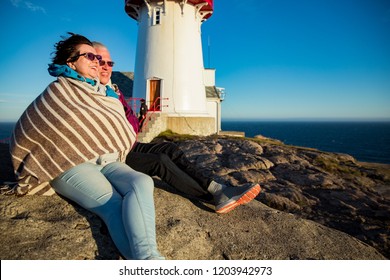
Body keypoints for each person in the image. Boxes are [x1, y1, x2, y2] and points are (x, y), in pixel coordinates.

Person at [10, 33, 164, 260]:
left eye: (98, 57)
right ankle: (149, 262)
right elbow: (32, 127)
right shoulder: (59, 91)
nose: (96, 61)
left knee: (142, 181)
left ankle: (147, 261)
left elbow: (110, 126)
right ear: (71, 63)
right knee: (113, 206)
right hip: (70, 164)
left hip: (108, 161)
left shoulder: (105, 92)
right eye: (89, 56)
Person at [94, 42, 261, 214]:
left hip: (127, 144)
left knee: (169, 148)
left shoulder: (112, 90)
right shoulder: (90, 91)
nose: (106, 67)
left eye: (110, 63)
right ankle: (213, 196)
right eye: (100, 61)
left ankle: (215, 187)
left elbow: (131, 123)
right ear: (90, 62)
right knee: (159, 161)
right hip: (112, 154)